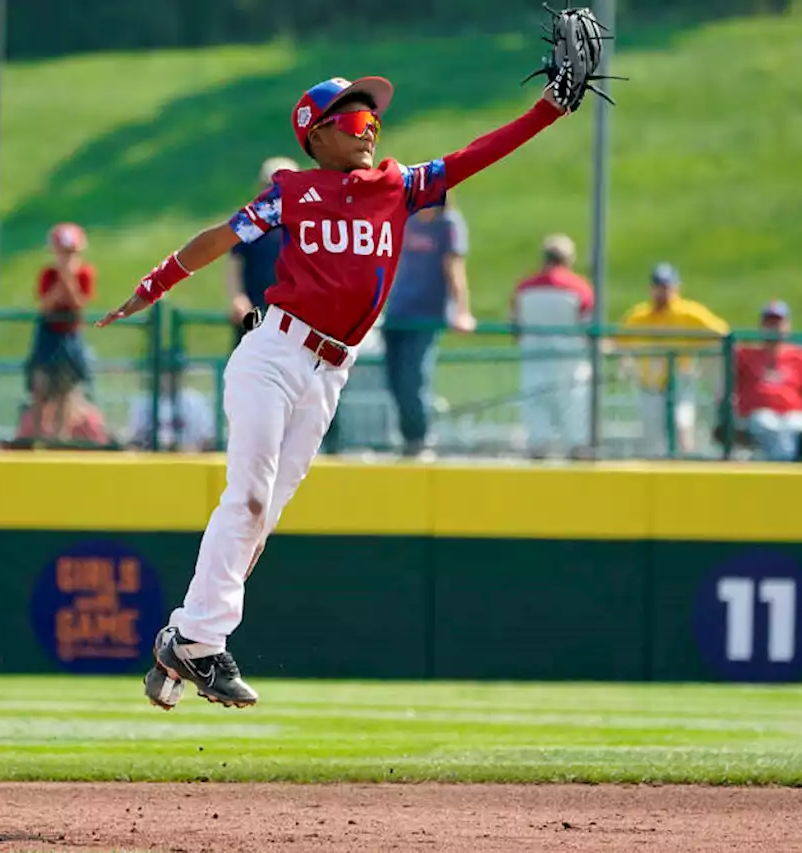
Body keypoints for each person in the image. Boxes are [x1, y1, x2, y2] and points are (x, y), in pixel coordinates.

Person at [96, 75, 578, 710]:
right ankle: (199, 641)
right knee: (247, 500)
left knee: (261, 519)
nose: (369, 128)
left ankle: (185, 637)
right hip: (273, 354)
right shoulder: (292, 193)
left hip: (330, 372)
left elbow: (477, 154)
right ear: (315, 133)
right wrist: (155, 284)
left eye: (372, 119)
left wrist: (548, 108)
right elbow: (220, 237)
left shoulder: (398, 185)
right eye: (353, 120)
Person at [381, 197, 475, 457]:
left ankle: (419, 439)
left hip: (425, 314)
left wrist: (462, 310)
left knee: (414, 378)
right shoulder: (408, 220)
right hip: (398, 310)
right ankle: (407, 437)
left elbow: (454, 267)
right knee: (394, 380)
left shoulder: (448, 224)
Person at [620, 263, 728, 456]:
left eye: (666, 287)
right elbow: (617, 342)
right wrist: (626, 361)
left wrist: (705, 356)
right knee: (652, 438)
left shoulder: (688, 313)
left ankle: (685, 467)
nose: (662, 293)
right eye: (658, 287)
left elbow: (722, 333)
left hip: (679, 382)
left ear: (676, 288)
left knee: (681, 426)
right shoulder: (639, 315)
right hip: (650, 385)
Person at [510, 233, 595, 459]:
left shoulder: (524, 288)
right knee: (576, 435)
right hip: (571, 366)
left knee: (538, 436)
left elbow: (515, 329)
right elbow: (588, 328)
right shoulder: (580, 288)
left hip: (534, 363)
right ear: (569, 259)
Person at [731, 301, 802, 462]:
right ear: (761, 326)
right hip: (757, 416)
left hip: (792, 414)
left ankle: (790, 463)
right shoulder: (745, 354)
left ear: (788, 326)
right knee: (768, 423)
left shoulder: (800, 356)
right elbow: (727, 390)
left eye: (778, 323)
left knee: (797, 425)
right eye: (769, 323)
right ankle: (788, 466)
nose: (774, 327)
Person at [29, 223, 95, 439]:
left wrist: (69, 279)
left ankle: (59, 436)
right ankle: (38, 435)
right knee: (40, 385)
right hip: (48, 334)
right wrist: (62, 279)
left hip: (70, 334)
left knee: (66, 388)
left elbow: (78, 304)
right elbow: (46, 304)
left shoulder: (84, 274)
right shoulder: (48, 274)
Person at [226, 157, 299, 346]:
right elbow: (235, 260)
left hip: (292, 315)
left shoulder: (302, 225)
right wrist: (237, 297)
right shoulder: (251, 222)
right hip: (254, 310)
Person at [125, 369, 217, 452]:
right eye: (164, 374)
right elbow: (134, 440)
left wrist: (190, 449)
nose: (167, 378)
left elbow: (208, 439)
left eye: (171, 374)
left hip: (187, 460)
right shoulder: (143, 401)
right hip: (151, 458)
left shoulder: (195, 400)